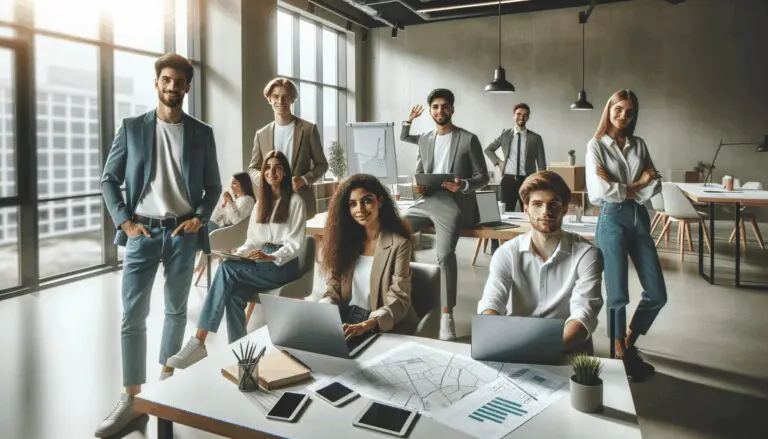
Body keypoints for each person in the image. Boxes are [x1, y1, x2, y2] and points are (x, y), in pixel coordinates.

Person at [96, 54, 221, 437]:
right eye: (166, 80)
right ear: (157, 83)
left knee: (175, 311)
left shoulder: (202, 132)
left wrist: (200, 216)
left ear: (188, 87)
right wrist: (125, 221)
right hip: (143, 233)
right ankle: (132, 399)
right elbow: (108, 179)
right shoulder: (132, 128)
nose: (172, 87)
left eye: (179, 82)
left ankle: (166, 384)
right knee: (132, 317)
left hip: (182, 233)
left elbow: (214, 186)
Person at [165, 150, 306, 370]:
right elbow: (253, 240)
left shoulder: (296, 202)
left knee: (227, 270)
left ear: (286, 173)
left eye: (278, 167)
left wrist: (271, 256)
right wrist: (241, 253)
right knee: (235, 296)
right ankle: (243, 359)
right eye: (267, 168)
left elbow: (295, 244)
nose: (271, 172)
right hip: (261, 259)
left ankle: (199, 341)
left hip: (284, 264)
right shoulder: (261, 203)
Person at [585, 89, 666, 381]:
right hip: (611, 218)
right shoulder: (595, 145)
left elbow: (654, 185)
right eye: (618, 109)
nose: (622, 116)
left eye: (629, 112)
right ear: (609, 109)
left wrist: (624, 185)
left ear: (634, 116)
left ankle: (629, 339)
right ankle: (619, 351)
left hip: (639, 218)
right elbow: (599, 192)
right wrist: (637, 183)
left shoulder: (639, 144)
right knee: (617, 292)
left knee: (657, 294)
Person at [477, 171, 603, 353]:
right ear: (525, 208)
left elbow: (584, 314)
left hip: (567, 345)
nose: (546, 211)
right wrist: (495, 337)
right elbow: (491, 303)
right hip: (517, 342)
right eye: (537, 204)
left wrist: (541, 348)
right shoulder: (506, 253)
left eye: (554, 204)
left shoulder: (587, 254)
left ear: (565, 208)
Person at [400, 88, 489, 340]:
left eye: (445, 106)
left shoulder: (468, 139)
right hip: (426, 199)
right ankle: (401, 299)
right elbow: (420, 171)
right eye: (436, 107)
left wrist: (463, 185)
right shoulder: (426, 139)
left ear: (452, 109)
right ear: (430, 111)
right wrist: (419, 185)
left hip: (454, 202)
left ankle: (446, 315)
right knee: (394, 232)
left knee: (445, 253)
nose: (440, 111)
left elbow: (482, 176)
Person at [319, 174, 419, 337]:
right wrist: (325, 305)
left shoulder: (399, 244)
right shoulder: (346, 241)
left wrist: (366, 325)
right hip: (348, 318)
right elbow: (333, 285)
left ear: (380, 201)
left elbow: (399, 298)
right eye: (353, 204)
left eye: (366, 200)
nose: (360, 209)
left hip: (380, 323)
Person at [249, 77, 328, 219]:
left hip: (302, 202)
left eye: (286, 97)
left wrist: (303, 180)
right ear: (269, 99)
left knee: (303, 242)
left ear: (292, 99)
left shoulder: (309, 130)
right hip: (271, 203)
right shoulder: (261, 134)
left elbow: (322, 165)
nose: (280, 101)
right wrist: (263, 179)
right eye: (276, 97)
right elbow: (253, 168)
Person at [484, 103, 547, 253]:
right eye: (518, 114)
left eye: (525, 115)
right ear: (514, 116)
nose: (521, 117)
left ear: (528, 117)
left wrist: (542, 183)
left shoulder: (535, 138)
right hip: (508, 179)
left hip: (528, 180)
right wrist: (498, 162)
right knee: (503, 213)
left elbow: (542, 163)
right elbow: (488, 149)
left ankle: (531, 244)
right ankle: (497, 245)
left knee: (531, 213)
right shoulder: (505, 134)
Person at [192, 172, 256, 279]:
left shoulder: (248, 200)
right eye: (231, 183)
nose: (231, 186)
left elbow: (236, 220)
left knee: (202, 232)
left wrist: (230, 202)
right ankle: (200, 255)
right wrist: (224, 204)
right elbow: (219, 217)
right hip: (224, 229)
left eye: (235, 183)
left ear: (244, 184)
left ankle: (198, 258)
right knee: (203, 226)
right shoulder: (238, 200)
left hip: (233, 234)